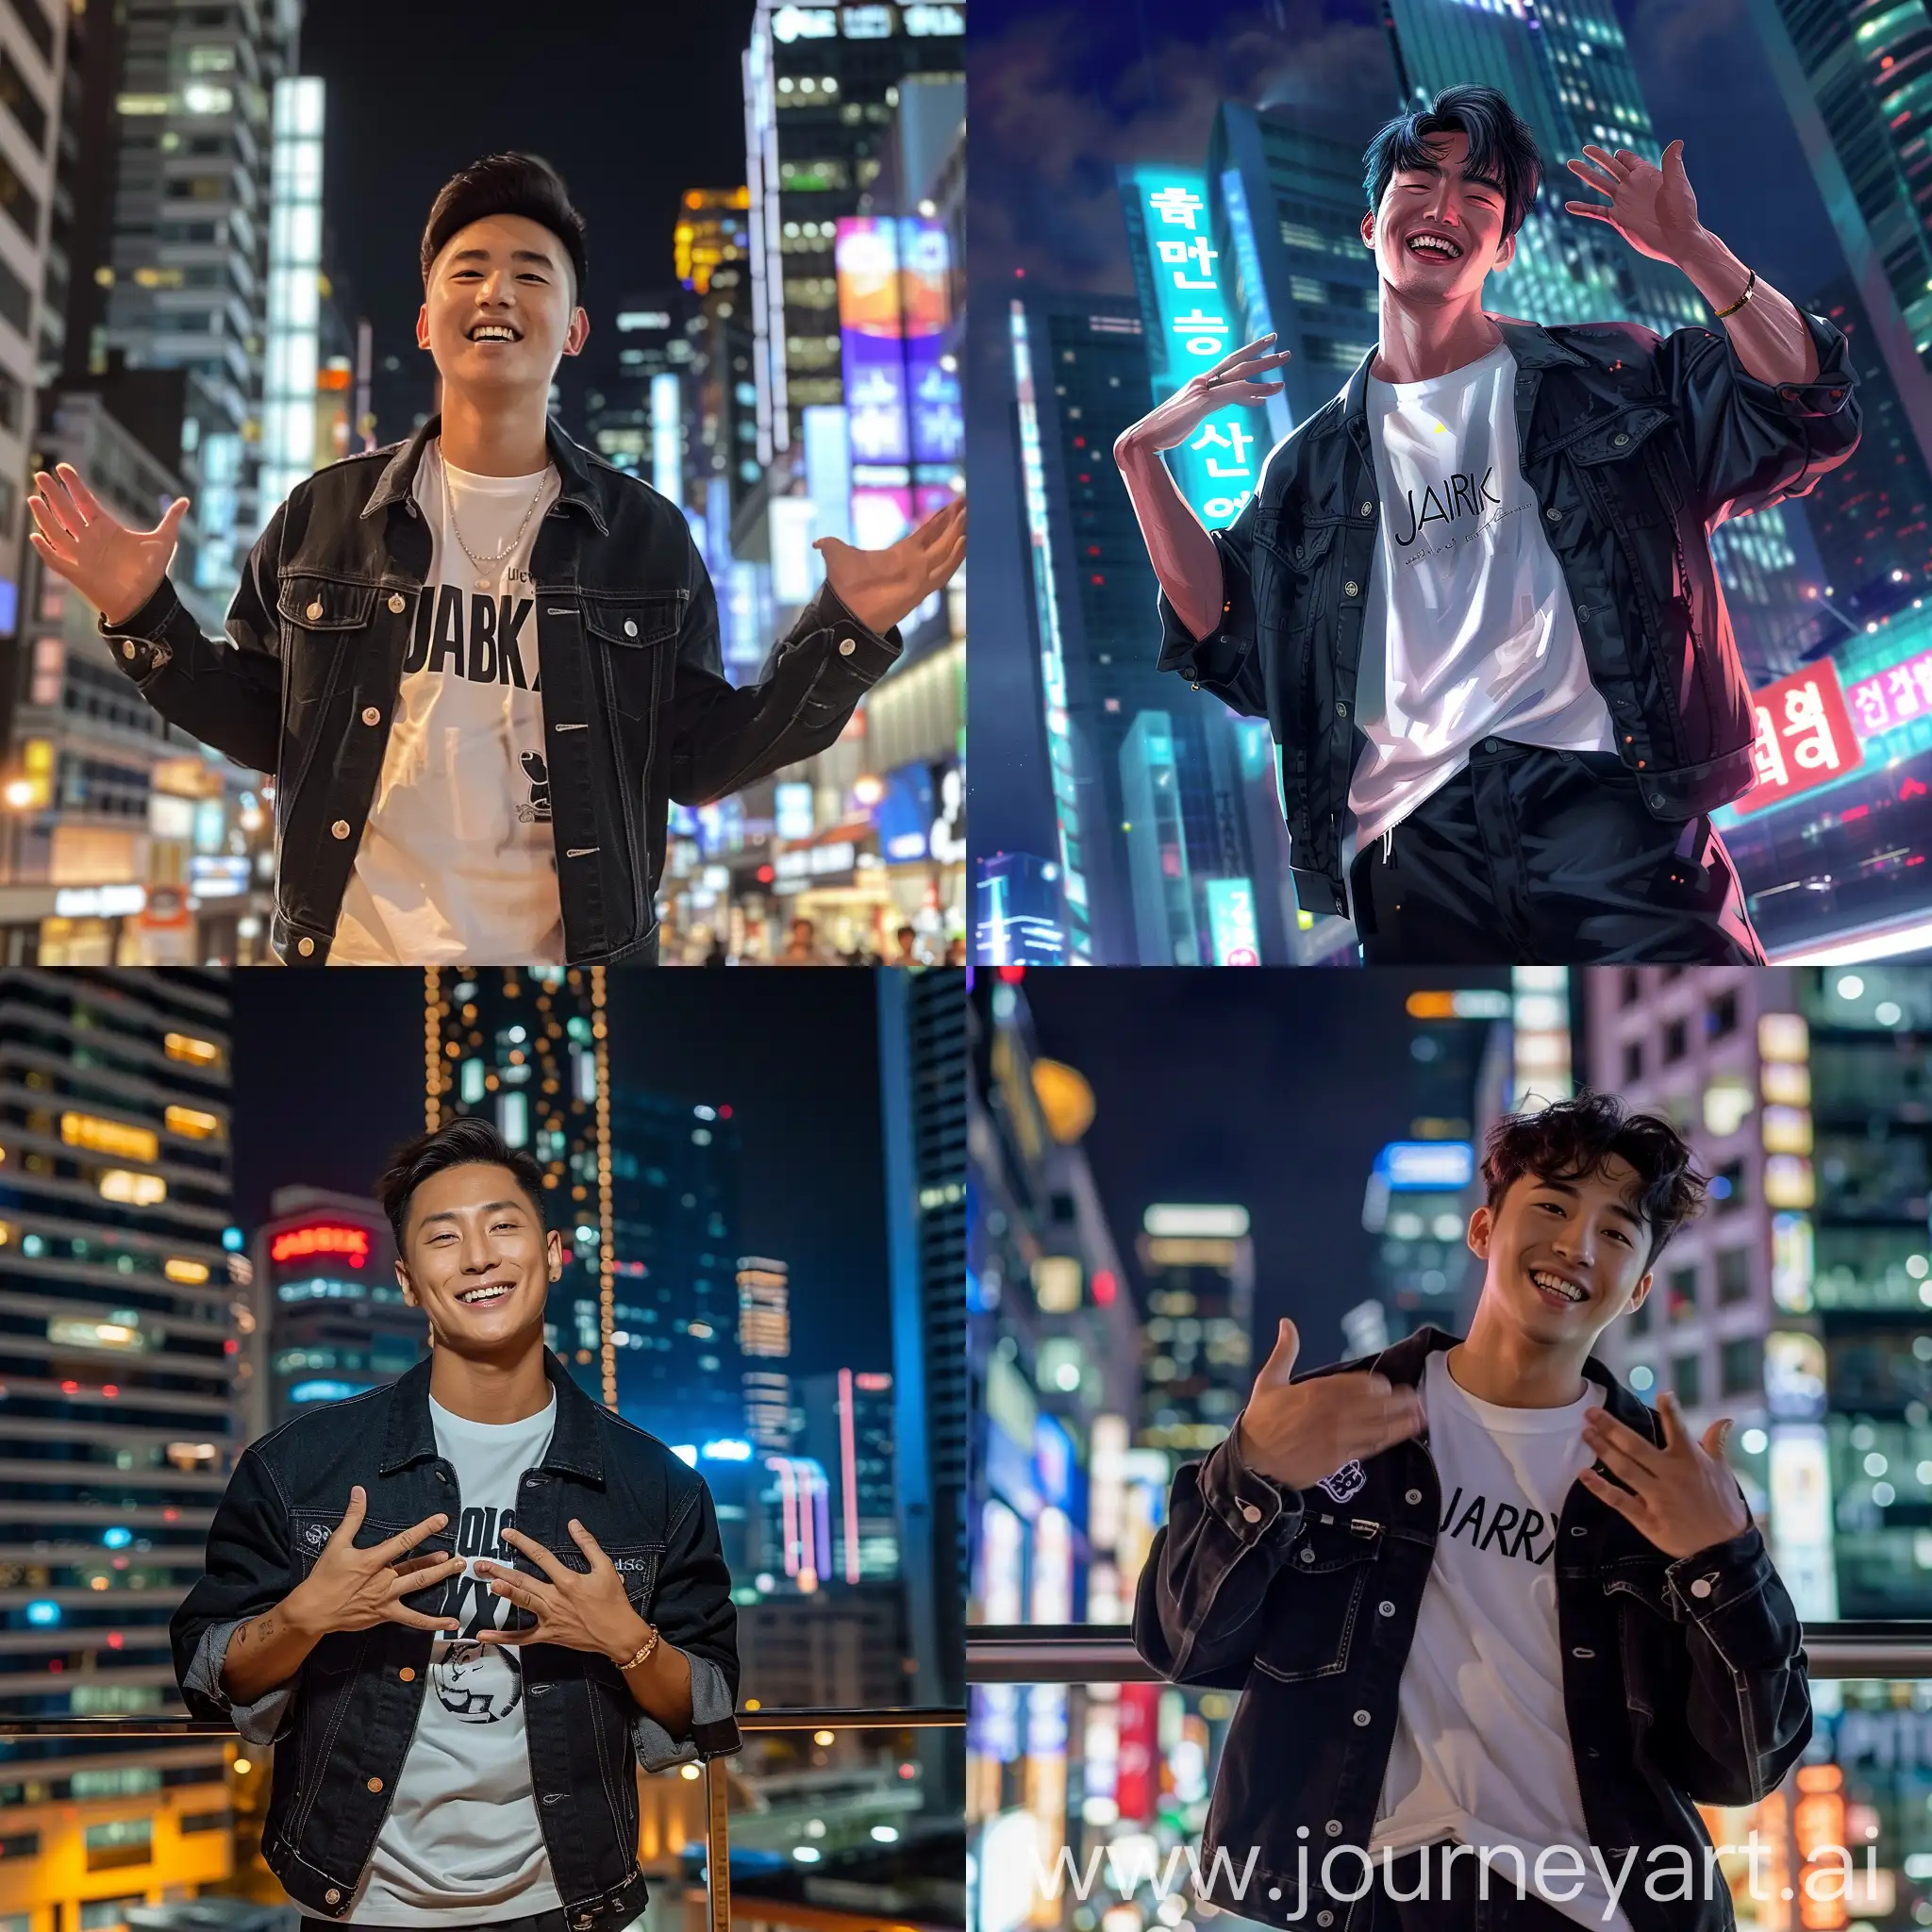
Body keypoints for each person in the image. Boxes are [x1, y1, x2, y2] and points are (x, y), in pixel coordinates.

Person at [30, 152, 964, 967]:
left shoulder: (647, 538)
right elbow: (263, 722)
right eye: (468, 270)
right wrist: (141, 613)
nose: (497, 292)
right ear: (427, 321)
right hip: (353, 949)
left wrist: (845, 633)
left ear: (573, 330)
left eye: (531, 273)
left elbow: (697, 757)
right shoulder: (324, 513)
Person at [1114, 84, 1860, 965]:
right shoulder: (1309, 470)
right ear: (1371, 223)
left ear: (1502, 246)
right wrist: (1139, 462)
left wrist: (1695, 250)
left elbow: (1802, 409)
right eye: (1418, 183)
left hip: (1609, 809)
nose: (1444, 209)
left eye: (1480, 196)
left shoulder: (1612, 372)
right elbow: (1235, 645)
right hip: (1409, 848)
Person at [1137, 1092, 1809, 1932]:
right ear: (1485, 1230)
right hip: (1364, 1888)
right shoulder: (1335, 1420)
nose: (1575, 1245)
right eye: (1554, 1206)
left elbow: (1740, 1767)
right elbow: (1182, 1643)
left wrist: (1723, 1558)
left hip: (1601, 1907)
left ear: (1637, 1289)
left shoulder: (1667, 1483)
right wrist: (1254, 1474)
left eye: (1615, 1231)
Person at [171, 1118, 738, 1932]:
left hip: (567, 1904)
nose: (478, 1257)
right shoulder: (298, 1469)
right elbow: (210, 1673)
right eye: (445, 1238)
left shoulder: (656, 1487)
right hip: (355, 1906)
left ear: (552, 1254)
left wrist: (627, 1640)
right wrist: (302, 1618)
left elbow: (708, 1705)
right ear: (407, 1279)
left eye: (503, 1226)